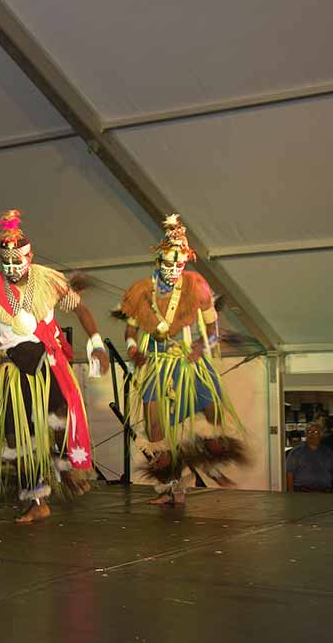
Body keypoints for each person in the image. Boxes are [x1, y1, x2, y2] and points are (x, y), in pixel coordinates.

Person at [0, 210, 109, 523]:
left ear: (28, 256)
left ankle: (67, 468)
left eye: (16, 261)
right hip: (14, 368)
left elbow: (82, 309)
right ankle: (37, 500)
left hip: (47, 361)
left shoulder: (48, 280)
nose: (11, 268)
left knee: (58, 420)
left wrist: (97, 344)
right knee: (15, 438)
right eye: (5, 263)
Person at [118, 214, 245, 505]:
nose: (174, 270)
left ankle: (211, 465)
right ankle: (172, 487)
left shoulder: (197, 286)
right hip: (157, 366)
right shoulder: (141, 291)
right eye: (168, 264)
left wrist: (204, 345)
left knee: (212, 414)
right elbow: (130, 330)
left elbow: (212, 328)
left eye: (179, 264)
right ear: (158, 263)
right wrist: (133, 350)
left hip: (190, 364)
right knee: (156, 430)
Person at [286, 423, 333, 492]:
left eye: (315, 432)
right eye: (309, 432)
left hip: (325, 493)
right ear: (306, 435)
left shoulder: (328, 453)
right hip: (302, 493)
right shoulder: (295, 453)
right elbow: (289, 474)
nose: (312, 435)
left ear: (321, 434)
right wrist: (291, 494)